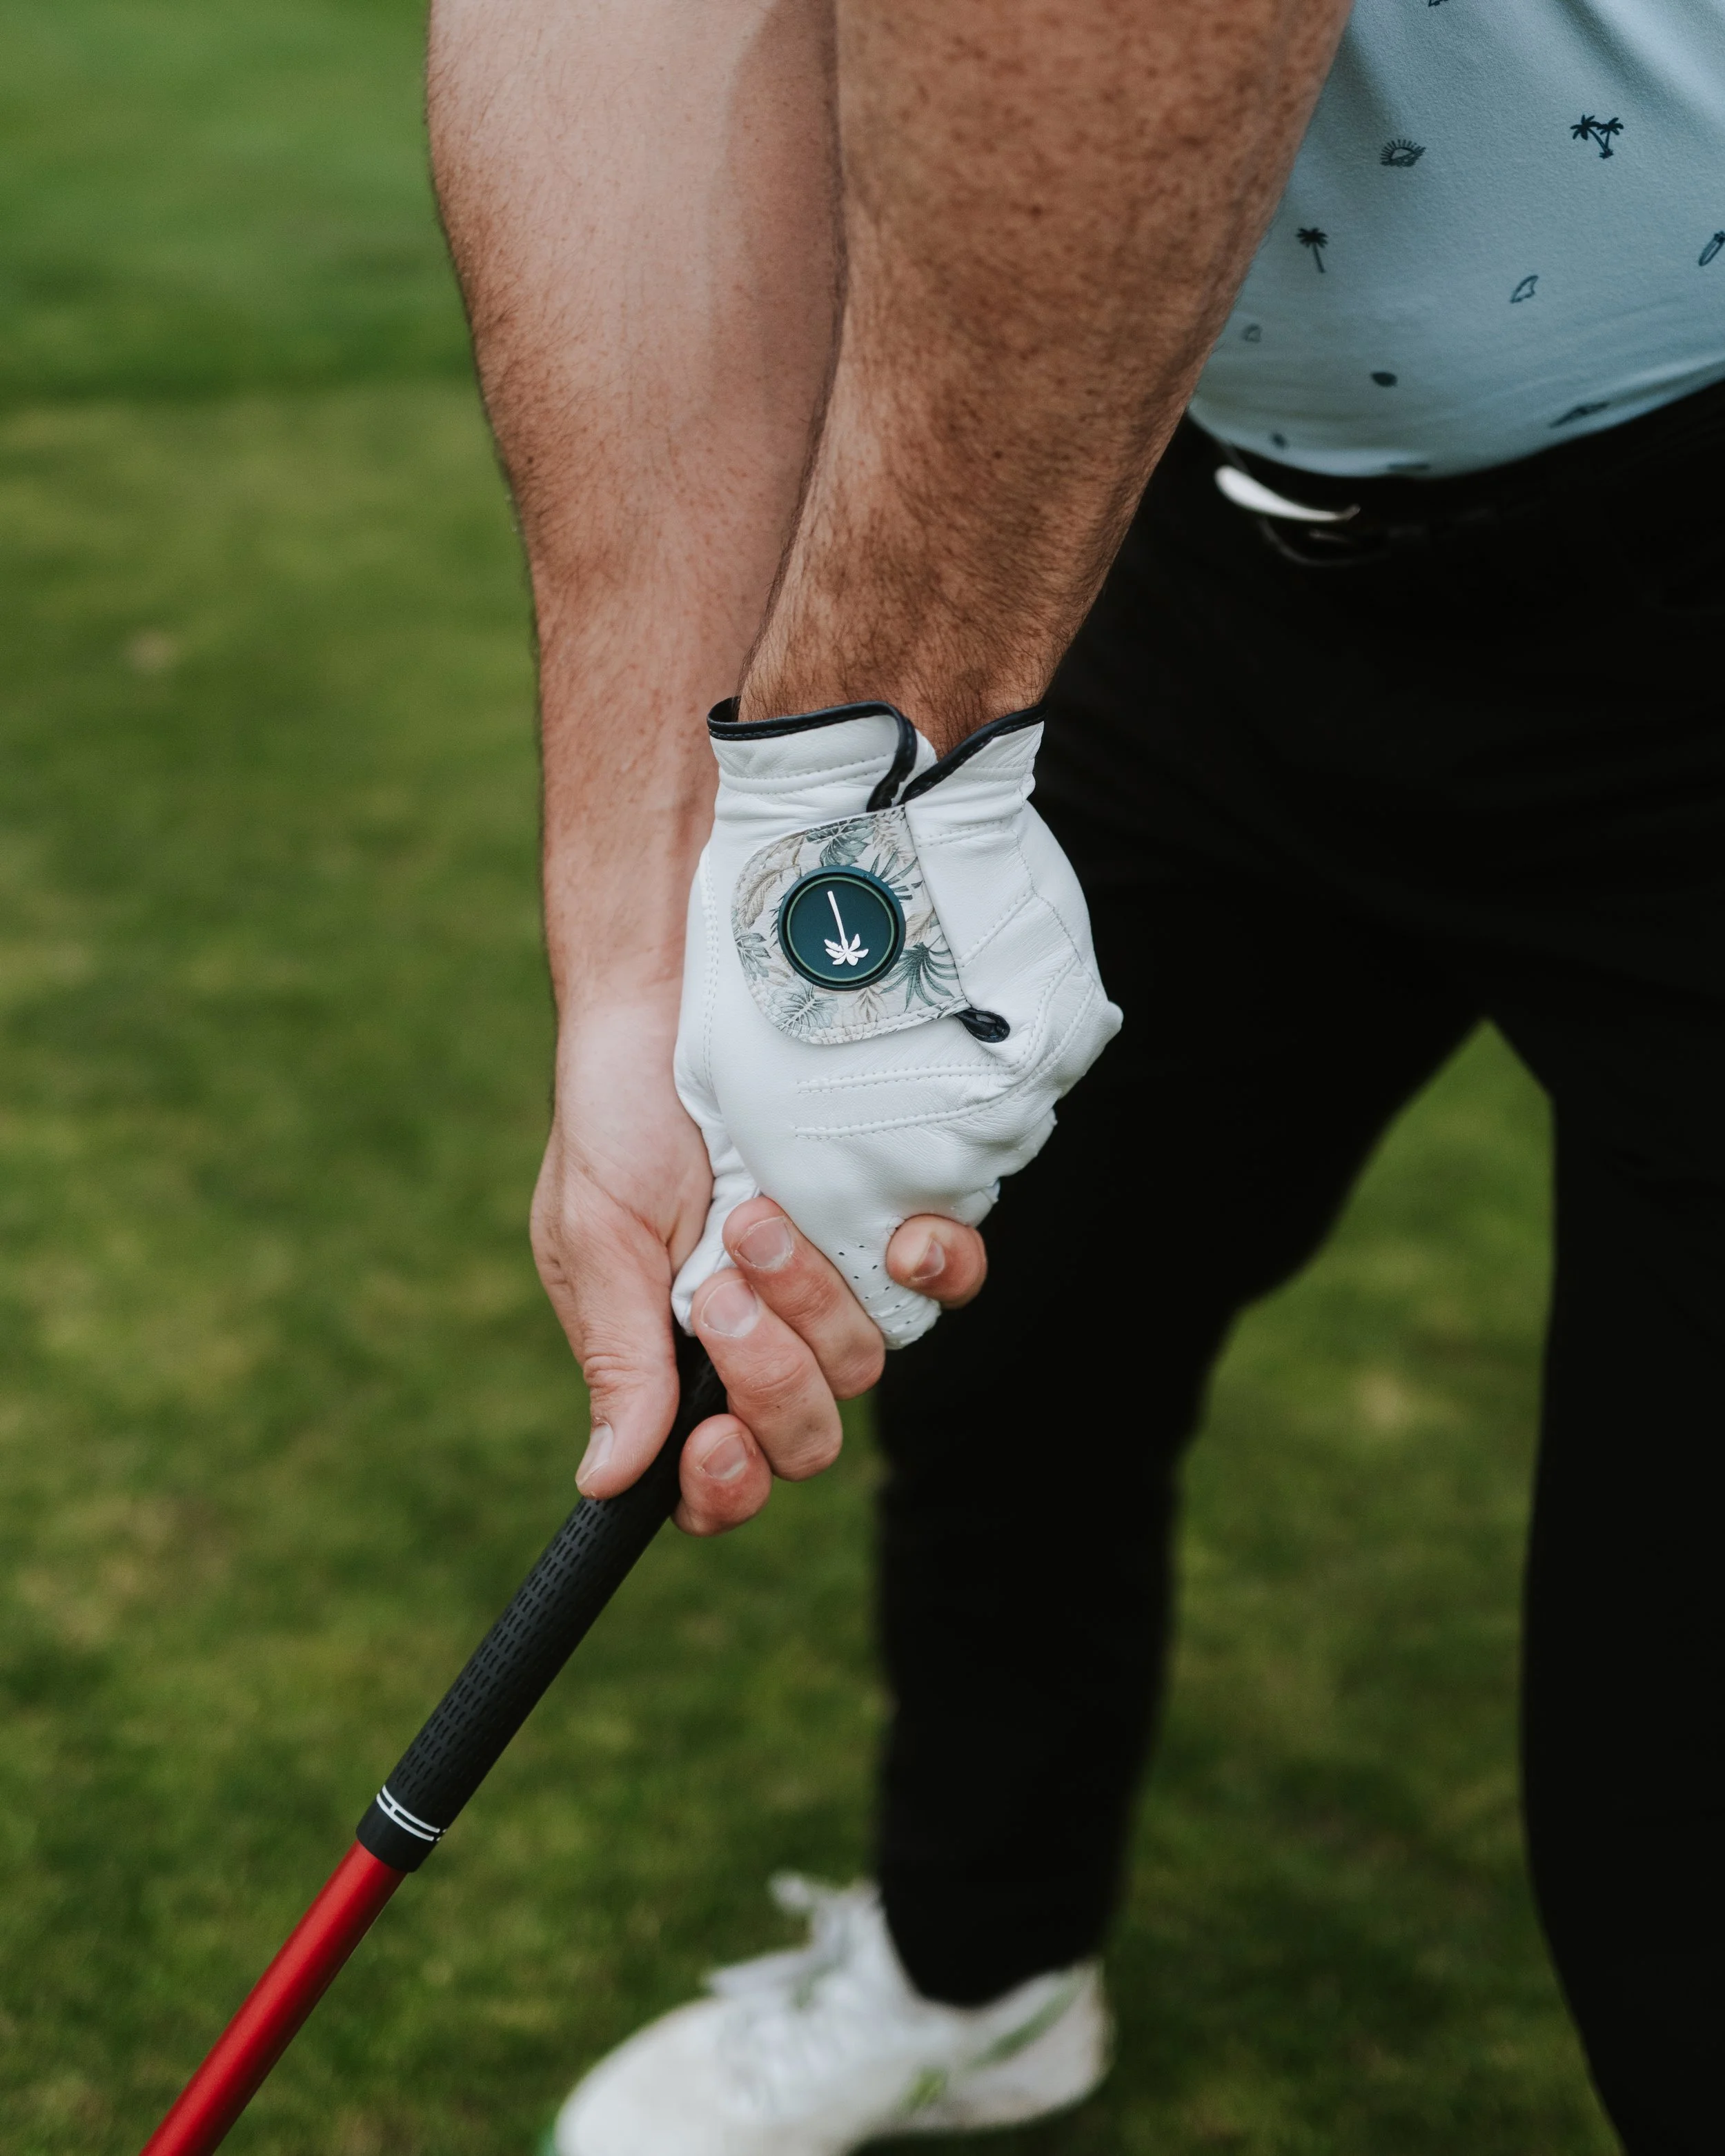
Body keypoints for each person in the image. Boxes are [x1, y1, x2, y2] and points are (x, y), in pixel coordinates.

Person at [426, 1, 1725, 2149]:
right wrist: (634, 946)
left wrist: (856, 804)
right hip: (1194, 548)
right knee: (1012, 1350)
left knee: (1673, 1807)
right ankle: (979, 1955)